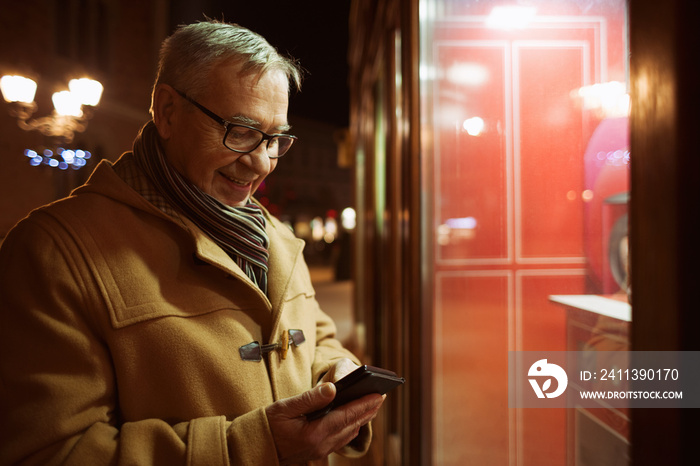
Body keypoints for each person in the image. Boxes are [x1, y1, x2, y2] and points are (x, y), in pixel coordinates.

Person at [0, 20, 384, 465]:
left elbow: (317, 337)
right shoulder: (52, 252)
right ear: (166, 111)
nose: (261, 163)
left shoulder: (276, 236)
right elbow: (48, 452)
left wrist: (337, 373)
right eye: (240, 131)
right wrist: (254, 447)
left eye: (275, 139)